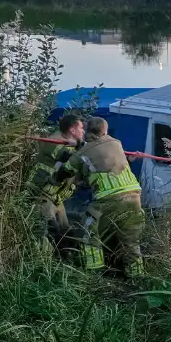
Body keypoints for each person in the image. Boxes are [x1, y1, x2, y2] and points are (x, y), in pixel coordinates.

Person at [54, 116, 146, 278]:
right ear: (105, 131)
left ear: (87, 131)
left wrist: (64, 160)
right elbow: (102, 155)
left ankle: (93, 274)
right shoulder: (116, 143)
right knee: (130, 239)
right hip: (134, 197)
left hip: (107, 199)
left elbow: (65, 172)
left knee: (88, 233)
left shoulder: (83, 152)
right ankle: (137, 277)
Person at [27, 113, 84, 257]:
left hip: (55, 196)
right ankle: (42, 262)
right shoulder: (54, 141)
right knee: (44, 232)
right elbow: (68, 158)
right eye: (81, 128)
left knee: (65, 230)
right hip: (42, 194)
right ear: (72, 130)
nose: (83, 131)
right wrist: (80, 145)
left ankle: (64, 257)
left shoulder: (70, 143)